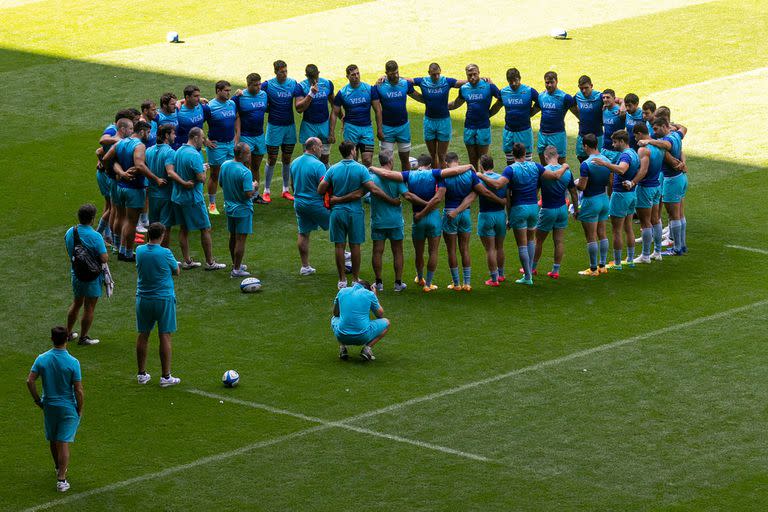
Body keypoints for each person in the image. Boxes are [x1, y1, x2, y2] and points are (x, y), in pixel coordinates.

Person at [478, 144, 567, 285]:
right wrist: (564, 167)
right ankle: (530, 271)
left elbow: (497, 185)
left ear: (513, 155)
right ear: (525, 153)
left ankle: (527, 277)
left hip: (519, 209)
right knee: (531, 240)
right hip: (533, 208)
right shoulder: (536, 166)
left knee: (522, 245)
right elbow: (556, 176)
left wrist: (480, 175)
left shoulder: (510, 169)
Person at [317, 141, 396, 288]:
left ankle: (341, 280)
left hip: (338, 212)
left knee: (339, 246)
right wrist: (391, 200)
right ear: (353, 151)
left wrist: (336, 195)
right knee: (355, 246)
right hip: (355, 212)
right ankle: (354, 278)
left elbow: (320, 189)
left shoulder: (333, 169)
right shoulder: (361, 169)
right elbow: (374, 190)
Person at [26, 326, 84, 493]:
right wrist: (79, 408)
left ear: (52, 339)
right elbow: (78, 389)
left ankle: (58, 468)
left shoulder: (42, 358)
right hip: (67, 407)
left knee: (53, 438)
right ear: (67, 339)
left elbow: (30, 381)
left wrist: (38, 400)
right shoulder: (73, 362)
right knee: (63, 441)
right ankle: (61, 479)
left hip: (49, 405)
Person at [440, 152, 503, 290]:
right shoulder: (470, 174)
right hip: (466, 214)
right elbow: (481, 192)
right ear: (458, 160)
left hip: (450, 213)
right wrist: (501, 201)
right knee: (465, 249)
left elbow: (439, 196)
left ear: (446, 163)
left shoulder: (444, 175)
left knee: (451, 250)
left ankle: (456, 284)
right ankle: (467, 283)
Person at [171, 127, 226, 271]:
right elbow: (201, 179)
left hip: (178, 197)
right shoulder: (195, 155)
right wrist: (204, 170)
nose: (204, 141)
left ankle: (187, 261)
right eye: (202, 138)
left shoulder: (178, 152)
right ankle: (210, 262)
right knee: (205, 228)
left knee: (184, 229)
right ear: (195, 138)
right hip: (193, 198)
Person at [135, 223, 181, 387]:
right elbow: (176, 271)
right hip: (163, 299)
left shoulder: (139, 251)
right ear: (162, 235)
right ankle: (165, 376)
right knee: (165, 336)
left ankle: (141, 374)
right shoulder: (165, 252)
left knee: (143, 335)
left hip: (143, 299)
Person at [592, 130, 640, 270]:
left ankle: (618, 263)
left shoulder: (625, 155)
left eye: (615, 142)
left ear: (622, 141)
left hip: (620, 195)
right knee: (629, 227)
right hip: (631, 194)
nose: (613, 145)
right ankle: (630, 259)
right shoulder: (634, 153)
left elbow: (621, 170)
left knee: (617, 230)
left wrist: (605, 164)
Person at [108, 120, 156, 262]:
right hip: (134, 188)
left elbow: (105, 158)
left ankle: (119, 248)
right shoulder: (139, 145)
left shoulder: (120, 142)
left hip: (119, 186)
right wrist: (155, 179)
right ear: (141, 132)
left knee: (120, 217)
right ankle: (127, 253)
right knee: (131, 222)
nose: (149, 135)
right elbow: (139, 165)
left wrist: (117, 174)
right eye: (148, 132)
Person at [640, 118, 688, 256]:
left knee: (674, 216)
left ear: (663, 126)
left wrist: (649, 141)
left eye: (656, 129)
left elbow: (666, 145)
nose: (654, 132)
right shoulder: (677, 135)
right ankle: (682, 245)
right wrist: (675, 125)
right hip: (681, 178)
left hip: (672, 180)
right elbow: (684, 128)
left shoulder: (669, 139)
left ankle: (677, 248)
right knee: (679, 214)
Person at [64, 205, 108, 346]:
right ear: (92, 219)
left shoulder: (71, 231)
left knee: (77, 302)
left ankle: (68, 333)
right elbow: (104, 258)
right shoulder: (96, 236)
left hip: (76, 273)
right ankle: (83, 337)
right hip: (92, 277)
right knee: (89, 307)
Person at [533, 145, 579, 279]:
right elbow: (574, 193)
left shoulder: (543, 172)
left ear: (545, 156)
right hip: (562, 209)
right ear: (557, 156)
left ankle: (532, 268)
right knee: (559, 241)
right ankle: (555, 271)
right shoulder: (567, 172)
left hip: (547, 209)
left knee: (538, 241)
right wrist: (576, 210)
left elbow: (535, 192)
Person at [367, 150, 409, 291]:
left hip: (378, 220)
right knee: (397, 251)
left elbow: (367, 196)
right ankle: (398, 283)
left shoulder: (371, 178)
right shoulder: (396, 178)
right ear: (390, 161)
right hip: (395, 221)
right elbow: (405, 195)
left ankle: (378, 283)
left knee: (377, 251)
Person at [448, 63, 502, 171]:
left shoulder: (489, 86)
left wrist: (491, 112)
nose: (472, 77)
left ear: (479, 73)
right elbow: (456, 104)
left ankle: (484, 183)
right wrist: (440, 106)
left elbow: (501, 99)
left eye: (474, 74)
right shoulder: (464, 88)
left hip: (483, 127)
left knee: (483, 160)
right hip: (469, 127)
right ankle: (475, 184)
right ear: (466, 76)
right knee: (472, 160)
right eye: (469, 75)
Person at [411, 63, 465, 168]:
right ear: (429, 73)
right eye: (433, 74)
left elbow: (461, 82)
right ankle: (435, 180)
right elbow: (408, 81)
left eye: (438, 74)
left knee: (441, 155)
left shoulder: (446, 81)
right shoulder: (423, 81)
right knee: (432, 155)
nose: (436, 77)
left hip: (444, 121)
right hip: (429, 121)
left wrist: (481, 79)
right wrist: (387, 77)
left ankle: (442, 179)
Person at [291, 137, 330, 275]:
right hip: (315, 203)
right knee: (338, 225)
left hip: (299, 203)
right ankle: (345, 257)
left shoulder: (294, 162)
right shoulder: (318, 165)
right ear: (313, 148)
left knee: (303, 233)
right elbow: (324, 187)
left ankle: (305, 266)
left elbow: (292, 184)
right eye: (320, 146)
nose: (322, 149)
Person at [262, 60, 300, 202]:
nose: (284, 74)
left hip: (289, 127)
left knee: (287, 158)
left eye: (286, 71)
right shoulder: (268, 85)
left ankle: (285, 189)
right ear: (275, 72)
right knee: (272, 159)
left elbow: (302, 94)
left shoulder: (293, 83)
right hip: (274, 127)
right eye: (281, 72)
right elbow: (255, 94)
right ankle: (266, 190)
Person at [330, 64, 382, 168]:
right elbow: (334, 113)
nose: (356, 76)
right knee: (352, 162)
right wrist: (331, 133)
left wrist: (380, 129)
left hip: (366, 129)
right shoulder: (343, 93)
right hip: (350, 129)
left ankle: (366, 183)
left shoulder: (369, 89)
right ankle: (354, 183)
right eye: (353, 74)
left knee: (367, 161)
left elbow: (378, 110)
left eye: (358, 73)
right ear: (347, 76)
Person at [375, 60, 423, 171]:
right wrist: (379, 129)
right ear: (386, 73)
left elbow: (418, 97)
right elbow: (376, 109)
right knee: (386, 161)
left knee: (405, 159)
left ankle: (406, 184)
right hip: (387, 128)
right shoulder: (379, 86)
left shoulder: (405, 83)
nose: (396, 75)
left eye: (397, 72)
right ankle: (388, 186)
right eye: (392, 74)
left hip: (403, 127)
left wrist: (432, 101)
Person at [575, 134, 612, 275]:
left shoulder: (586, 164)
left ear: (585, 146)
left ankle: (593, 268)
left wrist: (576, 183)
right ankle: (602, 266)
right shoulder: (606, 160)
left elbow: (582, 187)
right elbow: (610, 182)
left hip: (591, 201)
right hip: (604, 199)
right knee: (602, 233)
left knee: (591, 236)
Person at [219, 142, 257, 277]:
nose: (250, 155)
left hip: (229, 207)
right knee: (241, 239)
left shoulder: (225, 165)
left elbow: (221, 183)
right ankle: (236, 269)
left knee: (233, 237)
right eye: (248, 153)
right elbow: (248, 194)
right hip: (243, 209)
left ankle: (236, 263)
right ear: (241, 155)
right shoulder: (245, 172)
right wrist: (255, 187)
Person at [146, 124, 187, 246]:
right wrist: (185, 183)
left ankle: (150, 252)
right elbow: (170, 173)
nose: (175, 136)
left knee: (152, 227)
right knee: (164, 228)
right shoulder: (170, 152)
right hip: (166, 194)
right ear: (166, 135)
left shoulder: (149, 150)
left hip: (153, 194)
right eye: (173, 133)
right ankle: (163, 254)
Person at [331, 279, 389, 361]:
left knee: (334, 319)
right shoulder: (369, 294)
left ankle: (343, 349)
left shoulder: (342, 291)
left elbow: (335, 313)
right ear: (369, 289)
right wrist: (374, 296)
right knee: (387, 322)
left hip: (342, 336)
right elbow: (380, 315)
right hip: (363, 337)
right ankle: (367, 349)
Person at [631, 123, 665, 263]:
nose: (634, 138)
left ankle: (645, 255)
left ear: (639, 133)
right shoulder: (659, 146)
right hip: (657, 186)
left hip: (645, 187)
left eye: (635, 135)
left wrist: (632, 182)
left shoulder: (643, 150)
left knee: (645, 222)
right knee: (656, 219)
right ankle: (657, 252)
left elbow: (643, 171)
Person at [233, 73, 268, 203]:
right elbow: (230, 109)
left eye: (259, 84)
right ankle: (245, 193)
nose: (259, 87)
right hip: (246, 137)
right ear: (248, 85)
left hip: (259, 135)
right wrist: (237, 135)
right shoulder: (239, 97)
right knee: (245, 167)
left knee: (256, 167)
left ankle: (255, 195)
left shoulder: (264, 94)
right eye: (255, 85)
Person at [204, 80, 237, 215]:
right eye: (226, 90)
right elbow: (199, 123)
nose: (229, 93)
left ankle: (228, 201)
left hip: (231, 144)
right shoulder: (209, 107)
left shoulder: (232, 104)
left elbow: (236, 119)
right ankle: (212, 204)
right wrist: (205, 141)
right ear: (218, 91)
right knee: (215, 174)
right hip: (217, 145)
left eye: (230, 90)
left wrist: (236, 136)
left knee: (229, 173)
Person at [493, 67, 539, 163]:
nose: (513, 84)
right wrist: (487, 115)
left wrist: (531, 113)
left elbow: (540, 103)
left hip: (524, 131)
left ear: (520, 78)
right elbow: (497, 105)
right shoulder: (503, 92)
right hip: (508, 131)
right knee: (510, 162)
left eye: (515, 80)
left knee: (526, 162)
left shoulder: (529, 91)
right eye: (510, 81)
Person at [475, 155, 508, 286]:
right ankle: (501, 275)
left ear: (481, 166)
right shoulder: (502, 179)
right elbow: (508, 197)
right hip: (501, 215)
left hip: (486, 215)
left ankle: (494, 280)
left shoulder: (479, 180)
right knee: (499, 247)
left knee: (490, 249)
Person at [295, 64, 335, 167]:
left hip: (324, 125)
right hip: (309, 126)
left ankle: (326, 182)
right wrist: (310, 94)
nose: (314, 80)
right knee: (309, 160)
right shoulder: (301, 86)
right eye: (311, 77)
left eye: (315, 76)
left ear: (318, 73)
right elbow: (299, 108)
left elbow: (334, 104)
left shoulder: (327, 84)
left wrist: (342, 118)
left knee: (324, 159)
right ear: (306, 76)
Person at [534, 71, 575, 164]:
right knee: (544, 163)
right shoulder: (541, 96)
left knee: (560, 164)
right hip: (542, 134)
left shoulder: (565, 97)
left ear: (557, 81)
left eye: (552, 82)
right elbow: (532, 112)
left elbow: (577, 112)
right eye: (547, 82)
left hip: (558, 135)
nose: (549, 85)